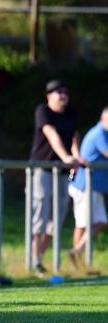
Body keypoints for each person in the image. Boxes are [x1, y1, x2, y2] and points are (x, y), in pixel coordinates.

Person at [29, 79, 80, 275]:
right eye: (58, 92)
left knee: (56, 218)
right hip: (43, 169)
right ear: (48, 96)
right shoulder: (43, 110)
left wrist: (75, 157)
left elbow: (74, 137)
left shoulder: (71, 113)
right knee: (40, 215)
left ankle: (38, 261)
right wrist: (66, 157)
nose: (62, 95)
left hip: (63, 172)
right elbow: (51, 134)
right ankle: (33, 261)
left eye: (65, 92)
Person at [67, 107, 108, 268]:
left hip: (95, 187)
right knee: (82, 223)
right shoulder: (99, 133)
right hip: (84, 186)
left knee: (100, 221)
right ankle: (76, 264)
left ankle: (77, 252)